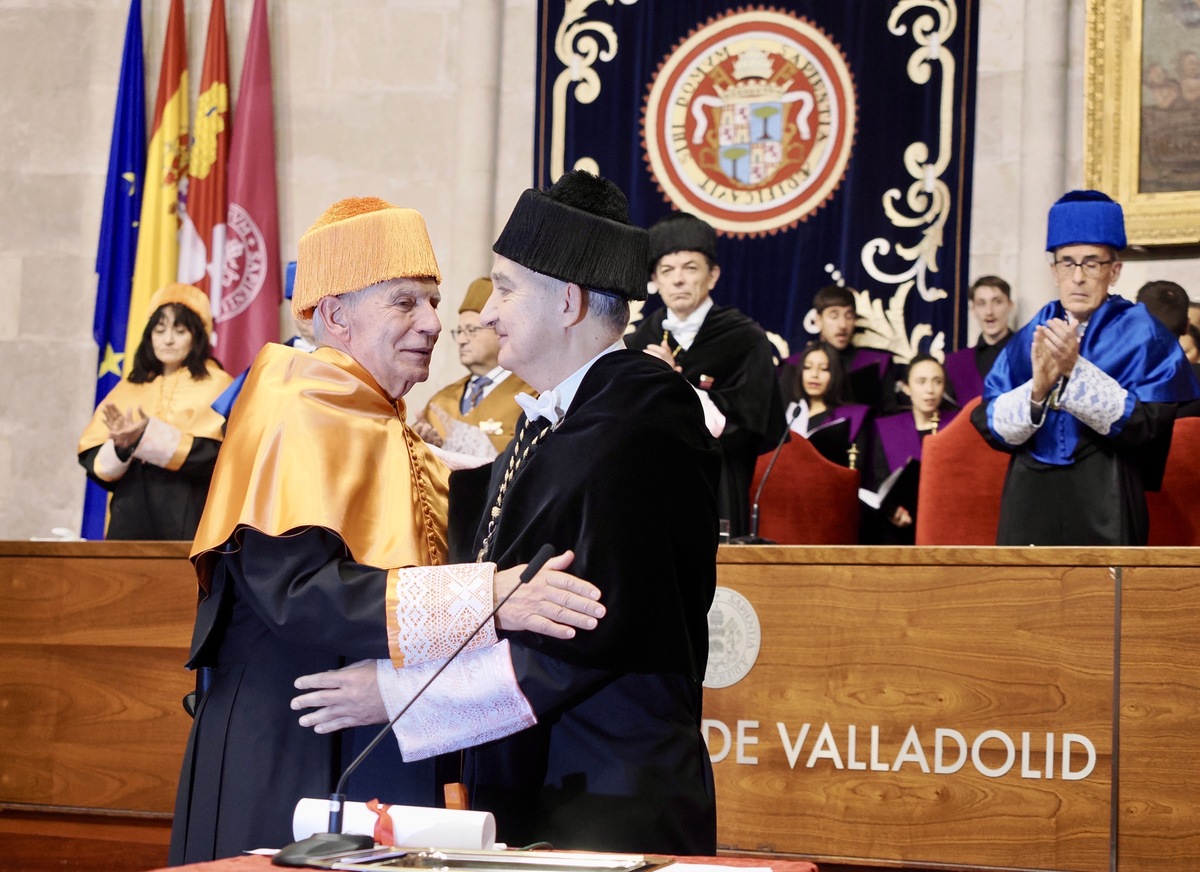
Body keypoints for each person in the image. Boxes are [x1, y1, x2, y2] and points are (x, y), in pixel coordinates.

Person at [294, 172, 722, 855]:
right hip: (542, 785)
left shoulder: (643, 417)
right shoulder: (562, 419)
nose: (487, 314)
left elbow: (583, 635)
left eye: (507, 287)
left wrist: (394, 694)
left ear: (569, 304)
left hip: (605, 796)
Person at [168, 197, 606, 864]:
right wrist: (485, 596)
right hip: (297, 749)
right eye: (406, 302)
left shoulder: (384, 422)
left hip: (373, 740)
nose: (433, 324)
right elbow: (299, 595)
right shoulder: (294, 406)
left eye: (432, 301)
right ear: (335, 314)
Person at [972, 190, 1200, 546]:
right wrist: (1037, 392)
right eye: (1067, 262)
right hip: (1029, 496)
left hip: (1106, 492)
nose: (1077, 277)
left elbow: (1151, 427)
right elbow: (989, 421)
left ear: (1114, 270)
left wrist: (1074, 374)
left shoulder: (1143, 334)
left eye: (1091, 263)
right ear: (1054, 270)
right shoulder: (1033, 332)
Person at [624, 211, 784, 537]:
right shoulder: (638, 341)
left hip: (717, 480)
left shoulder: (744, 338)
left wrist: (673, 382)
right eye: (666, 270)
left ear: (712, 276)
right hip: (648, 483)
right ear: (654, 280)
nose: (678, 280)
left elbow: (745, 423)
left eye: (690, 268)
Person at [78, 283, 232, 540]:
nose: (168, 339)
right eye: (159, 331)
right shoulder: (129, 387)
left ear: (198, 335)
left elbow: (219, 456)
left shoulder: (219, 385)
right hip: (129, 516)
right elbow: (94, 463)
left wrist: (147, 438)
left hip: (187, 512)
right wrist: (121, 447)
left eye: (179, 331)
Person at [413, 276, 533, 455]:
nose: (461, 340)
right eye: (459, 332)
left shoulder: (532, 395)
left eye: (470, 330)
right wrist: (420, 443)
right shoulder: (442, 401)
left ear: (500, 329)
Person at [870, 353, 957, 543]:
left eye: (937, 381)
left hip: (947, 526)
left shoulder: (957, 425)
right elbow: (878, 480)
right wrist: (892, 510)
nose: (930, 390)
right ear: (906, 387)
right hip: (898, 529)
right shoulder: (888, 429)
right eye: (921, 382)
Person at [780, 283, 897, 412]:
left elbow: (888, 417)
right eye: (834, 316)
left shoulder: (875, 365)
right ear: (818, 320)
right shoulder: (795, 367)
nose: (842, 325)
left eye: (849, 316)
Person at [783, 340, 871, 468]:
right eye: (807, 367)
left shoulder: (851, 418)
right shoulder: (792, 414)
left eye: (824, 369)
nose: (814, 375)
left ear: (836, 374)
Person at [944, 275, 1015, 404]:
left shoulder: (1028, 355)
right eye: (981, 303)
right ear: (973, 310)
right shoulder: (955, 363)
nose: (989, 311)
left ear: (1010, 305)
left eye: (997, 302)